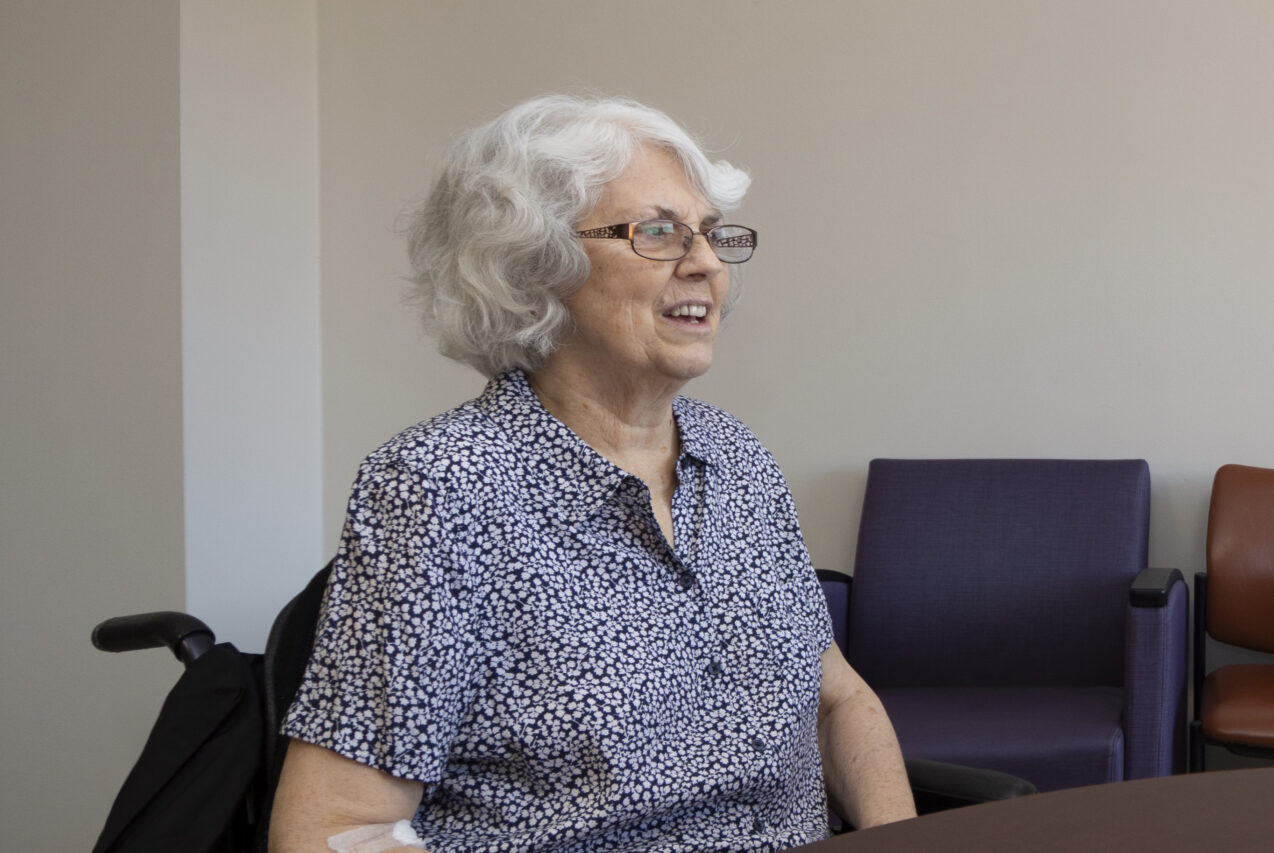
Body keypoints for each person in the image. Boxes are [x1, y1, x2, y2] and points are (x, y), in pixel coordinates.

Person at [269, 95, 916, 852]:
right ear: (535, 264)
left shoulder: (738, 459)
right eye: (659, 233)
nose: (707, 264)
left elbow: (835, 702)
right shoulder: (441, 487)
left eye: (710, 235)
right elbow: (338, 828)